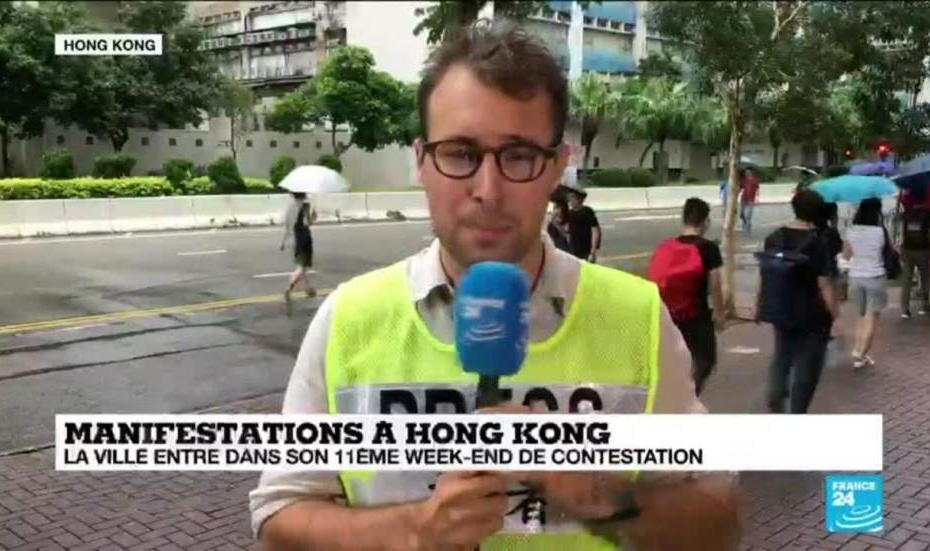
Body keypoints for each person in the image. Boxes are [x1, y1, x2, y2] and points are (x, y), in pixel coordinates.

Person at [250, 21, 740, 551]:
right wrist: (415, 530)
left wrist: (590, 487)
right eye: (460, 154)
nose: (488, 190)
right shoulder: (348, 319)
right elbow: (281, 519)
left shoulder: (637, 317)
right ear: (421, 162)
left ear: (556, 167)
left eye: (519, 156)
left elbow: (716, 527)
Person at [756, 189, 839, 414]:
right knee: (806, 367)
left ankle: (775, 397)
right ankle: (797, 413)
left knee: (781, 356)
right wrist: (834, 312)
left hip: (781, 309)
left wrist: (760, 303)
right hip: (812, 315)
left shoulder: (773, 238)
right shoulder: (818, 242)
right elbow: (824, 283)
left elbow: (766, 274)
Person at [648, 198, 726, 395]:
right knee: (705, 361)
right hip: (696, 316)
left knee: (672, 359)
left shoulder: (666, 246)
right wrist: (719, 312)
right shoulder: (708, 248)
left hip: (668, 314)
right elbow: (716, 283)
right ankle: (687, 395)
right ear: (705, 221)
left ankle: (673, 394)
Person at [841, 198, 889, 369]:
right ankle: (861, 354)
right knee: (872, 317)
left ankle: (858, 349)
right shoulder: (880, 231)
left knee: (860, 316)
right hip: (875, 275)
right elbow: (885, 252)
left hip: (856, 276)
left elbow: (846, 256)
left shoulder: (851, 231)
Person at [898, 195, 930, 318]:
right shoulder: (928, 213)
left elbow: (901, 231)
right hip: (924, 249)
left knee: (907, 279)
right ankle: (925, 304)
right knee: (925, 277)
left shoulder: (906, 214)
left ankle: (905, 308)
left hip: (907, 249)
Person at [280, 192, 318, 304]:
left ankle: (308, 289)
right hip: (303, 239)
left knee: (302, 265)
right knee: (302, 267)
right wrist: (314, 217)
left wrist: (283, 242)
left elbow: (287, 226)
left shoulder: (290, 207)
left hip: (293, 239)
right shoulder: (305, 205)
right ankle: (288, 288)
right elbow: (307, 223)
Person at [565, 186, 601, 262]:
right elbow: (567, 232)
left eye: (572, 198)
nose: (570, 201)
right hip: (573, 251)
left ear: (580, 199)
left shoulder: (587, 212)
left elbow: (595, 231)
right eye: (569, 198)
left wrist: (593, 251)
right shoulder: (569, 213)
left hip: (586, 251)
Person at [739, 167, 760, 234]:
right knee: (742, 214)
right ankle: (744, 226)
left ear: (751, 173)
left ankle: (747, 229)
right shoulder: (744, 180)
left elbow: (757, 189)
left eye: (748, 172)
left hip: (751, 200)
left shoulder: (755, 180)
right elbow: (740, 188)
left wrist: (757, 198)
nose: (747, 173)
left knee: (748, 215)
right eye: (746, 172)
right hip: (743, 199)